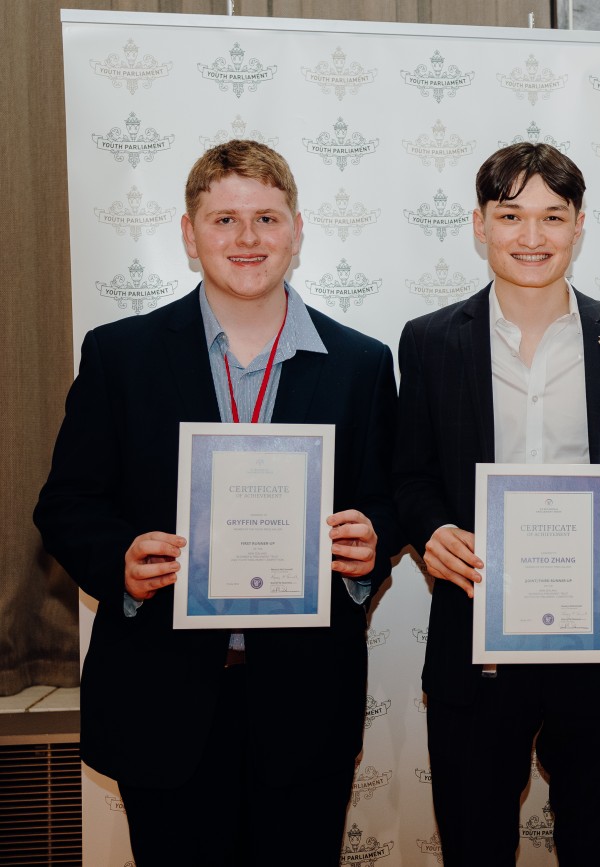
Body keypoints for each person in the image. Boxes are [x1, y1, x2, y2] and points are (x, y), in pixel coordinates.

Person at [33, 140, 399, 866]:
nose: (247, 238)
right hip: (161, 699)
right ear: (187, 232)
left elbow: (387, 496)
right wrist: (121, 559)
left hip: (304, 702)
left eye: (267, 217)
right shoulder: (121, 354)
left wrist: (372, 542)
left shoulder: (360, 363)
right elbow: (67, 503)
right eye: (224, 218)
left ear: (298, 229)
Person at [393, 142, 600, 866]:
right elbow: (409, 475)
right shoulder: (427, 342)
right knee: (475, 845)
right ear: (480, 225)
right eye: (511, 215)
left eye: (552, 215)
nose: (532, 237)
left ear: (580, 225)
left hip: (598, 639)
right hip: (476, 644)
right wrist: (431, 529)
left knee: (597, 844)